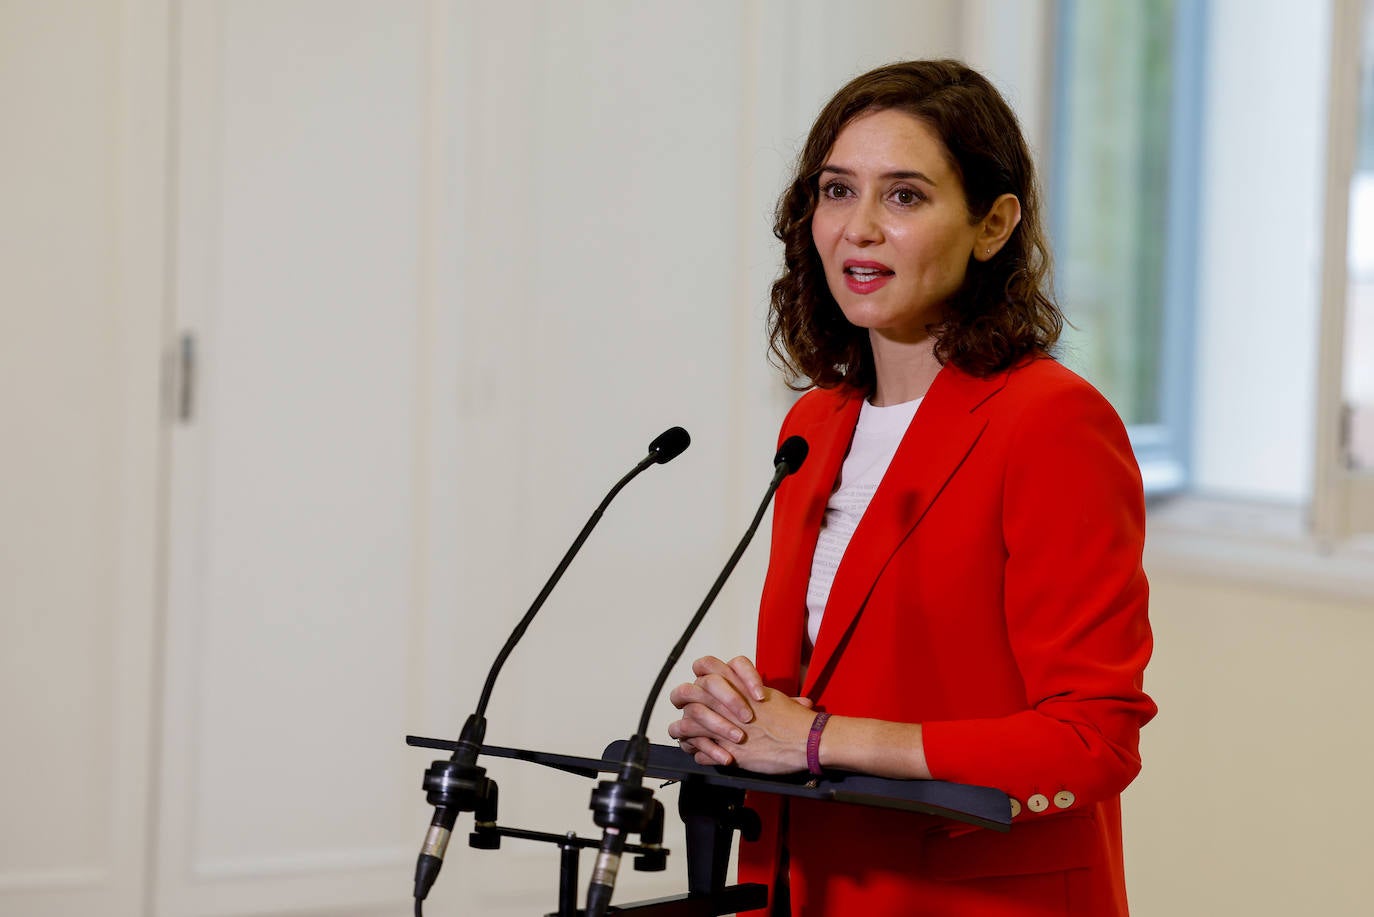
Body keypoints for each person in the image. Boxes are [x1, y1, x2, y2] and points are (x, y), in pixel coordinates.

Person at [667, 60, 1156, 916]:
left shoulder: (1051, 421)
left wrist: (812, 738)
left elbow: (1091, 738)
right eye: (836, 190)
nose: (858, 228)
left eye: (904, 197)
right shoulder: (814, 425)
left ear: (993, 224)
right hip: (807, 881)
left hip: (966, 897)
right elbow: (826, 688)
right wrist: (744, 721)